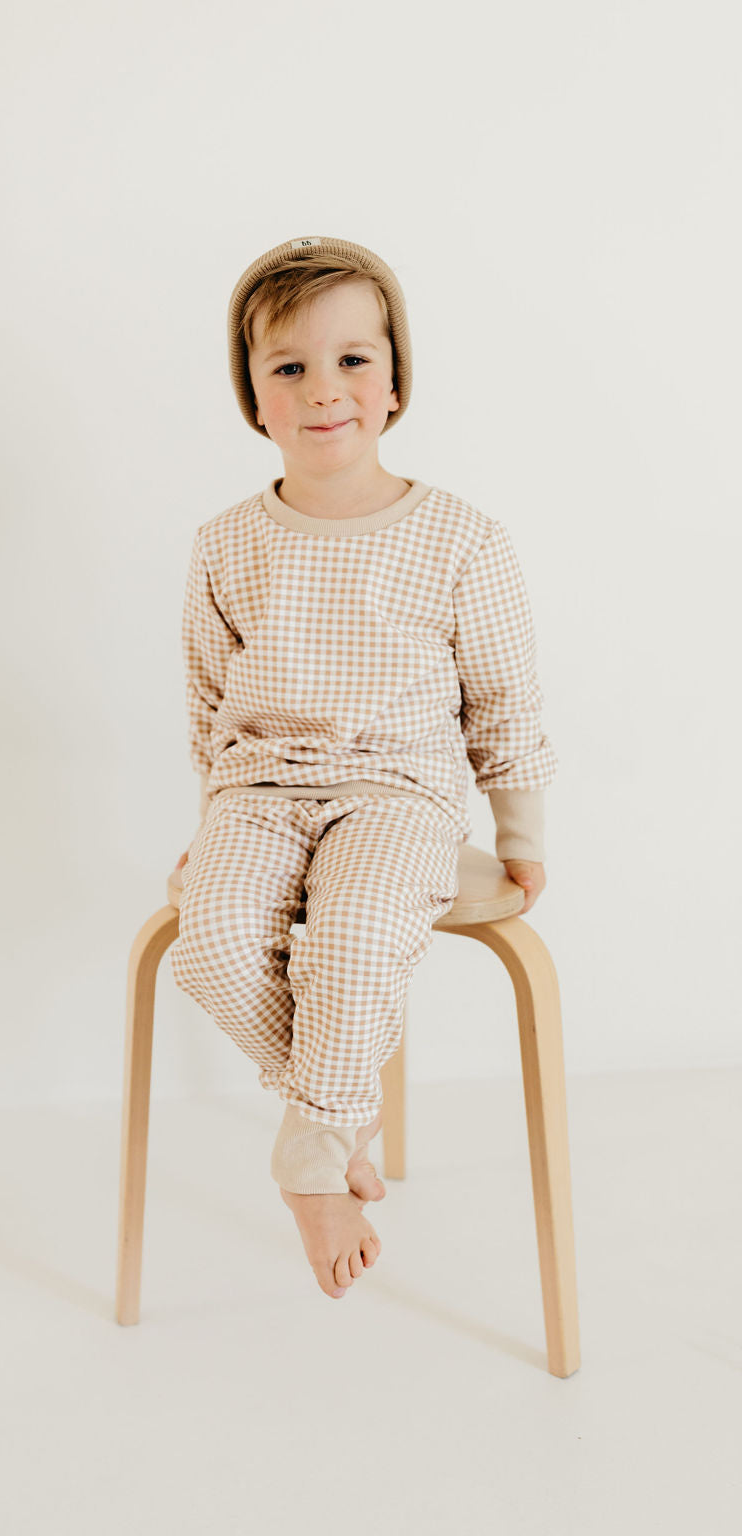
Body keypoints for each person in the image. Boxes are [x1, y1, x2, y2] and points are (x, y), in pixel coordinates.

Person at [167, 235, 557, 1303]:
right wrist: (213, 820)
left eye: (352, 361)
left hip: (400, 789)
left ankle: (309, 1151)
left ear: (394, 384)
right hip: (259, 788)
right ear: (253, 396)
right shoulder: (224, 543)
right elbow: (209, 703)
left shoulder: (459, 540)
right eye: (287, 367)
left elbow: (504, 701)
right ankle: (331, 1110)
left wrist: (518, 837)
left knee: (351, 932)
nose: (322, 389)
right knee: (208, 938)